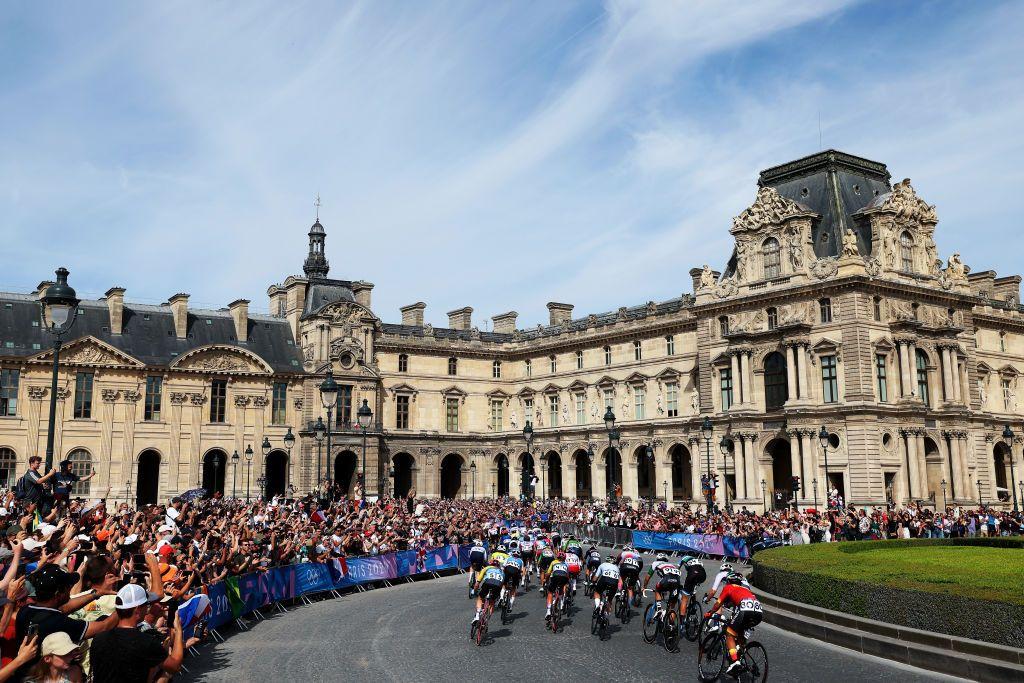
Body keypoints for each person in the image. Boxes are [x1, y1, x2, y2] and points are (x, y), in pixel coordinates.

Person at [15, 565, 119, 678]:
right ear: (58, 594)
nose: (70, 588)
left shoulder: (25, 611)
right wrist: (124, 603)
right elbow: (105, 626)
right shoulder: (58, 622)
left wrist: (96, 594)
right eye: (67, 586)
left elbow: (63, 609)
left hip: (25, 675)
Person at [90, 584, 183, 683]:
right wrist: (178, 631)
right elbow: (175, 666)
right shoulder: (146, 642)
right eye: (146, 604)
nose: (148, 608)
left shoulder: (99, 638)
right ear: (137, 609)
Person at [705, 573, 763, 678]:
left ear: (728, 581)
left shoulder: (728, 587)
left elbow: (718, 603)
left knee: (729, 634)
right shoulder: (746, 589)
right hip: (758, 611)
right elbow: (735, 603)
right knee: (740, 635)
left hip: (745, 610)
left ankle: (735, 663)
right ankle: (742, 656)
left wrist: (710, 613)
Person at [642, 553, 681, 622]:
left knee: (657, 590)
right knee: (672, 607)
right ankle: (671, 625)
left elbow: (647, 577)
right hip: (676, 583)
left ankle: (659, 610)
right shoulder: (672, 565)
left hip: (666, 580)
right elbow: (673, 579)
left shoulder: (655, 563)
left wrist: (644, 587)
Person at [472, 560, 504, 626]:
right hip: (498, 586)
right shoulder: (502, 572)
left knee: (480, 598)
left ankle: (477, 616)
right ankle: (486, 621)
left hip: (488, 583)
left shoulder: (486, 568)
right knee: (492, 602)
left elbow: (478, 582)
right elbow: (502, 585)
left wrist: (475, 591)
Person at [591, 555, 620, 619]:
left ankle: (597, 607)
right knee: (609, 600)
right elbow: (619, 580)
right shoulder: (617, 567)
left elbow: (596, 577)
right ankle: (605, 618)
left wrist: (592, 583)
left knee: (597, 593)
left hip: (604, 579)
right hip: (614, 582)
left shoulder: (603, 564)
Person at [543, 555, 569, 625]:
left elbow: (548, 573)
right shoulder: (566, 564)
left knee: (550, 592)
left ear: (557, 557)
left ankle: (548, 611)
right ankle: (559, 601)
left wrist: (546, 580)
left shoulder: (554, 562)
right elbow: (567, 575)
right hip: (564, 578)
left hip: (555, 577)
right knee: (561, 590)